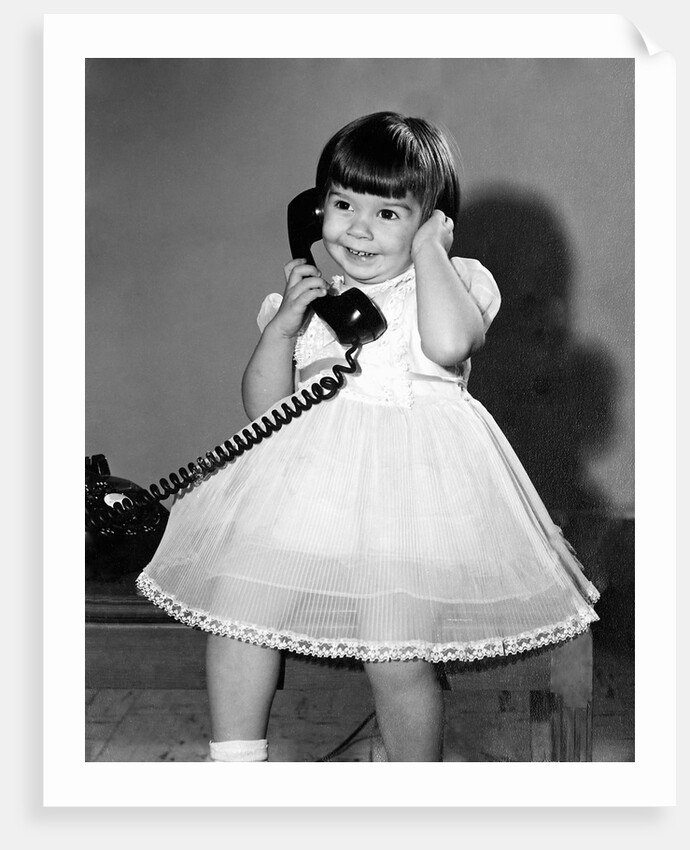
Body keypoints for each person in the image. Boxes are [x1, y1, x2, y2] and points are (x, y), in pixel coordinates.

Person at [136, 111, 600, 763]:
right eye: (343, 203)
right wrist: (282, 329)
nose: (358, 227)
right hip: (309, 491)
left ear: (431, 219)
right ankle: (235, 769)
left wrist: (433, 252)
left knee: (395, 656)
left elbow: (447, 344)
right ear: (316, 208)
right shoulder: (318, 300)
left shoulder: (453, 282)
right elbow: (265, 410)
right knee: (240, 614)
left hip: (409, 502)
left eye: (388, 213)